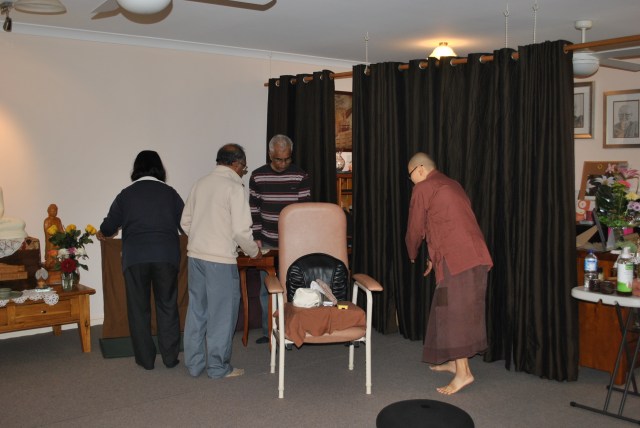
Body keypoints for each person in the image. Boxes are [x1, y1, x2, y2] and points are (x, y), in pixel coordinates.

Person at [405, 152, 493, 395]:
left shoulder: (424, 187)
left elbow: (415, 228)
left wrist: (412, 253)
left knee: (456, 314)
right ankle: (455, 362)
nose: (410, 180)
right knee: (446, 307)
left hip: (461, 260)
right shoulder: (451, 184)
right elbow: (447, 223)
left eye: (410, 174)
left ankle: (464, 373)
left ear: (420, 169)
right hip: (468, 257)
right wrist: (434, 258)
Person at [98, 150, 184, 371]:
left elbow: (108, 227)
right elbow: (186, 224)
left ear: (136, 169)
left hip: (135, 258)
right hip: (166, 257)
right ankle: (170, 358)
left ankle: (146, 360)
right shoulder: (170, 193)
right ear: (160, 169)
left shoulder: (125, 195)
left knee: (138, 310)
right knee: (167, 307)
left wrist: (102, 232)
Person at [181, 143, 262, 379]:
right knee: (222, 315)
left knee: (197, 311)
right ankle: (217, 368)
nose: (243, 172)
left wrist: (202, 237)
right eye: (244, 168)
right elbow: (240, 231)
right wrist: (253, 252)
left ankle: (194, 365)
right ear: (236, 163)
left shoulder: (200, 183)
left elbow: (185, 222)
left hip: (195, 256)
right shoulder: (234, 188)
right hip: (221, 261)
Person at [249, 134, 311, 343]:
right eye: (278, 159)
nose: (283, 163)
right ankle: (269, 332)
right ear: (270, 155)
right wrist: (256, 237)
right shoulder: (257, 176)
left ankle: (293, 331)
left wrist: (301, 240)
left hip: (293, 243)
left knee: (294, 287)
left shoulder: (300, 175)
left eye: (287, 159)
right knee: (267, 286)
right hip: (266, 240)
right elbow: (254, 209)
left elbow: (304, 212)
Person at [43, 204, 65, 269]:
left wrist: (64, 235)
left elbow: (61, 229)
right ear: (48, 211)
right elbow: (47, 230)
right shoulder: (47, 220)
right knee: (51, 250)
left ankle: (56, 261)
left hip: (57, 239)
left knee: (57, 250)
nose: (54, 212)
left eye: (55, 211)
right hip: (50, 240)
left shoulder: (58, 220)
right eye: (52, 211)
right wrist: (53, 234)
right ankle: (50, 261)